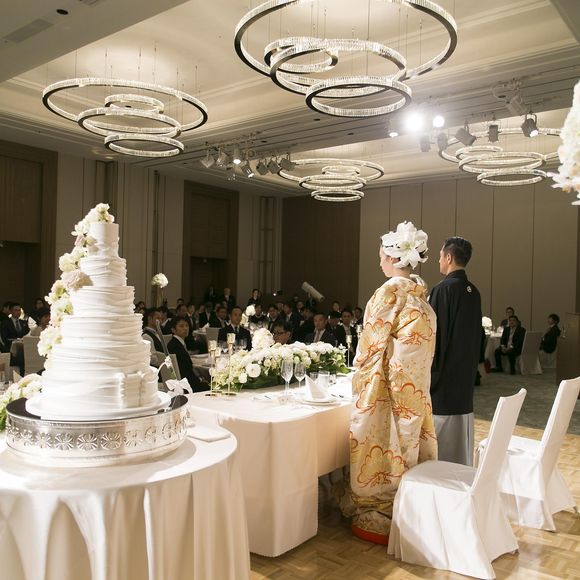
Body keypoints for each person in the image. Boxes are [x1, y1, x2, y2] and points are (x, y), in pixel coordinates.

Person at [339, 221, 437, 544]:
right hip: (415, 390)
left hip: (387, 389)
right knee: (406, 447)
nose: (379, 261)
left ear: (394, 258)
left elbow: (370, 347)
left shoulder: (388, 294)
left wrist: (360, 377)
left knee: (382, 447)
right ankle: (406, 504)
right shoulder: (422, 299)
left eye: (381, 256)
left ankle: (379, 507)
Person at [429, 236, 482, 467]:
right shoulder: (474, 292)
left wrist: (429, 378)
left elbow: (435, 339)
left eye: (440, 256)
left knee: (442, 453)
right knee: (460, 447)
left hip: (444, 385)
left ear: (449, 257)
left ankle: (441, 480)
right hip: (465, 381)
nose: (439, 260)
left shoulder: (443, 290)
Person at [167, 316, 205, 392]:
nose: (185, 328)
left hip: (183, 382)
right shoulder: (176, 346)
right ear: (173, 330)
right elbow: (185, 371)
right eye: (181, 326)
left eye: (187, 326)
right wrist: (200, 380)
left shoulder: (175, 343)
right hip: (186, 385)